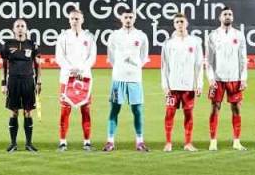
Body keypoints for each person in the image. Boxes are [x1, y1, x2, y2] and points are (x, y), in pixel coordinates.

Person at [105, 10, 150, 152]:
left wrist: (134, 68)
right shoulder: (114, 36)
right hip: (118, 78)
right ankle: (110, 142)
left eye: (131, 17)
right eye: (126, 17)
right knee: (114, 110)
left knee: (137, 110)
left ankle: (140, 142)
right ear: (121, 19)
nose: (128, 19)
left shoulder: (141, 36)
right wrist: (120, 68)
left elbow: (144, 57)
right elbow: (111, 56)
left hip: (135, 79)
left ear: (134, 18)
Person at [161, 14, 204, 152]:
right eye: (177, 22)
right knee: (169, 114)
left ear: (187, 23)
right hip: (172, 85)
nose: (179, 24)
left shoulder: (195, 42)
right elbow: (164, 66)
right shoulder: (168, 43)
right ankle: (168, 142)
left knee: (189, 114)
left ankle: (188, 143)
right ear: (174, 24)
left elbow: (199, 65)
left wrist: (199, 84)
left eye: (182, 21)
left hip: (189, 85)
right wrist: (165, 85)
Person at [54, 8, 96, 151]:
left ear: (82, 20)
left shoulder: (89, 37)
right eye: (72, 18)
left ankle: (87, 142)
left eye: (77, 18)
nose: (74, 21)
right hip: (67, 79)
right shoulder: (63, 36)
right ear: (69, 20)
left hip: (85, 79)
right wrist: (71, 70)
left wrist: (82, 71)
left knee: (86, 111)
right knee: (65, 111)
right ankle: (63, 141)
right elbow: (59, 57)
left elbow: (92, 57)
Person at [206, 7, 248, 150]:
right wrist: (211, 77)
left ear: (233, 17)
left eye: (230, 14)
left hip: (234, 78)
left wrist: (243, 78)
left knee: (236, 109)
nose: (228, 16)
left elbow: (243, 58)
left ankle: (236, 141)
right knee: (214, 108)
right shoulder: (213, 35)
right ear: (220, 17)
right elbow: (209, 60)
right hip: (218, 78)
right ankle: (213, 142)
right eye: (225, 14)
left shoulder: (239, 35)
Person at [1, 18, 40, 152]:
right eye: (17, 26)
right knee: (14, 112)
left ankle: (29, 143)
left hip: (28, 81)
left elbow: (37, 65)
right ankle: (13, 143)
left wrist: (38, 82)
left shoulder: (32, 44)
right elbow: (4, 66)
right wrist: (3, 83)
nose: (20, 28)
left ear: (26, 29)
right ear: (13, 29)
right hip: (13, 81)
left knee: (28, 112)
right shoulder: (8, 44)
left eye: (22, 26)